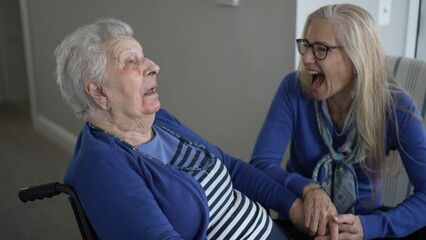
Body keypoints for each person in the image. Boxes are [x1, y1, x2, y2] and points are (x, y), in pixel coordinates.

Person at [54, 17, 306, 240]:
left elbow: (230, 166)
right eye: (131, 61)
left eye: (143, 56)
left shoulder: (159, 120)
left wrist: (294, 207)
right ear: (98, 92)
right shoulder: (102, 166)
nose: (153, 66)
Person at [250, 3, 426, 240]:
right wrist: (308, 189)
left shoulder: (397, 108)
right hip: (299, 221)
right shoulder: (293, 88)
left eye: (321, 49)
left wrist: (369, 227)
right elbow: (260, 165)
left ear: (356, 59)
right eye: (307, 46)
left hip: (365, 227)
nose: (307, 58)